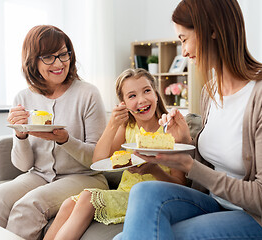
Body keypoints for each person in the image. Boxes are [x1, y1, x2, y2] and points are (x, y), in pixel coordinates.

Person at [114, 0, 262, 239]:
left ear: (212, 30)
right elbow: (211, 165)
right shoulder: (210, 91)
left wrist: (189, 166)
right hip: (215, 203)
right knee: (143, 192)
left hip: (261, 217)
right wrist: (184, 142)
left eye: (184, 39)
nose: (183, 51)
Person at [0, 25, 109, 240]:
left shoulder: (88, 94)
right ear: (33, 60)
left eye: (63, 54)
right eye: (48, 57)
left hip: (85, 177)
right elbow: (22, 166)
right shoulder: (23, 98)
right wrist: (20, 134)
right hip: (39, 175)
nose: (59, 63)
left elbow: (97, 160)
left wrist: (65, 140)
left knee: (28, 207)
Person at [43, 68, 187, 240]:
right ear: (123, 103)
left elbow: (182, 186)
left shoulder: (171, 130)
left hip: (150, 197)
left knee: (88, 197)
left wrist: (153, 170)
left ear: (156, 94)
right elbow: (98, 161)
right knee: (68, 204)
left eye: (147, 91)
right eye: (132, 96)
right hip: (125, 192)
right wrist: (112, 124)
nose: (141, 100)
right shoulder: (128, 128)